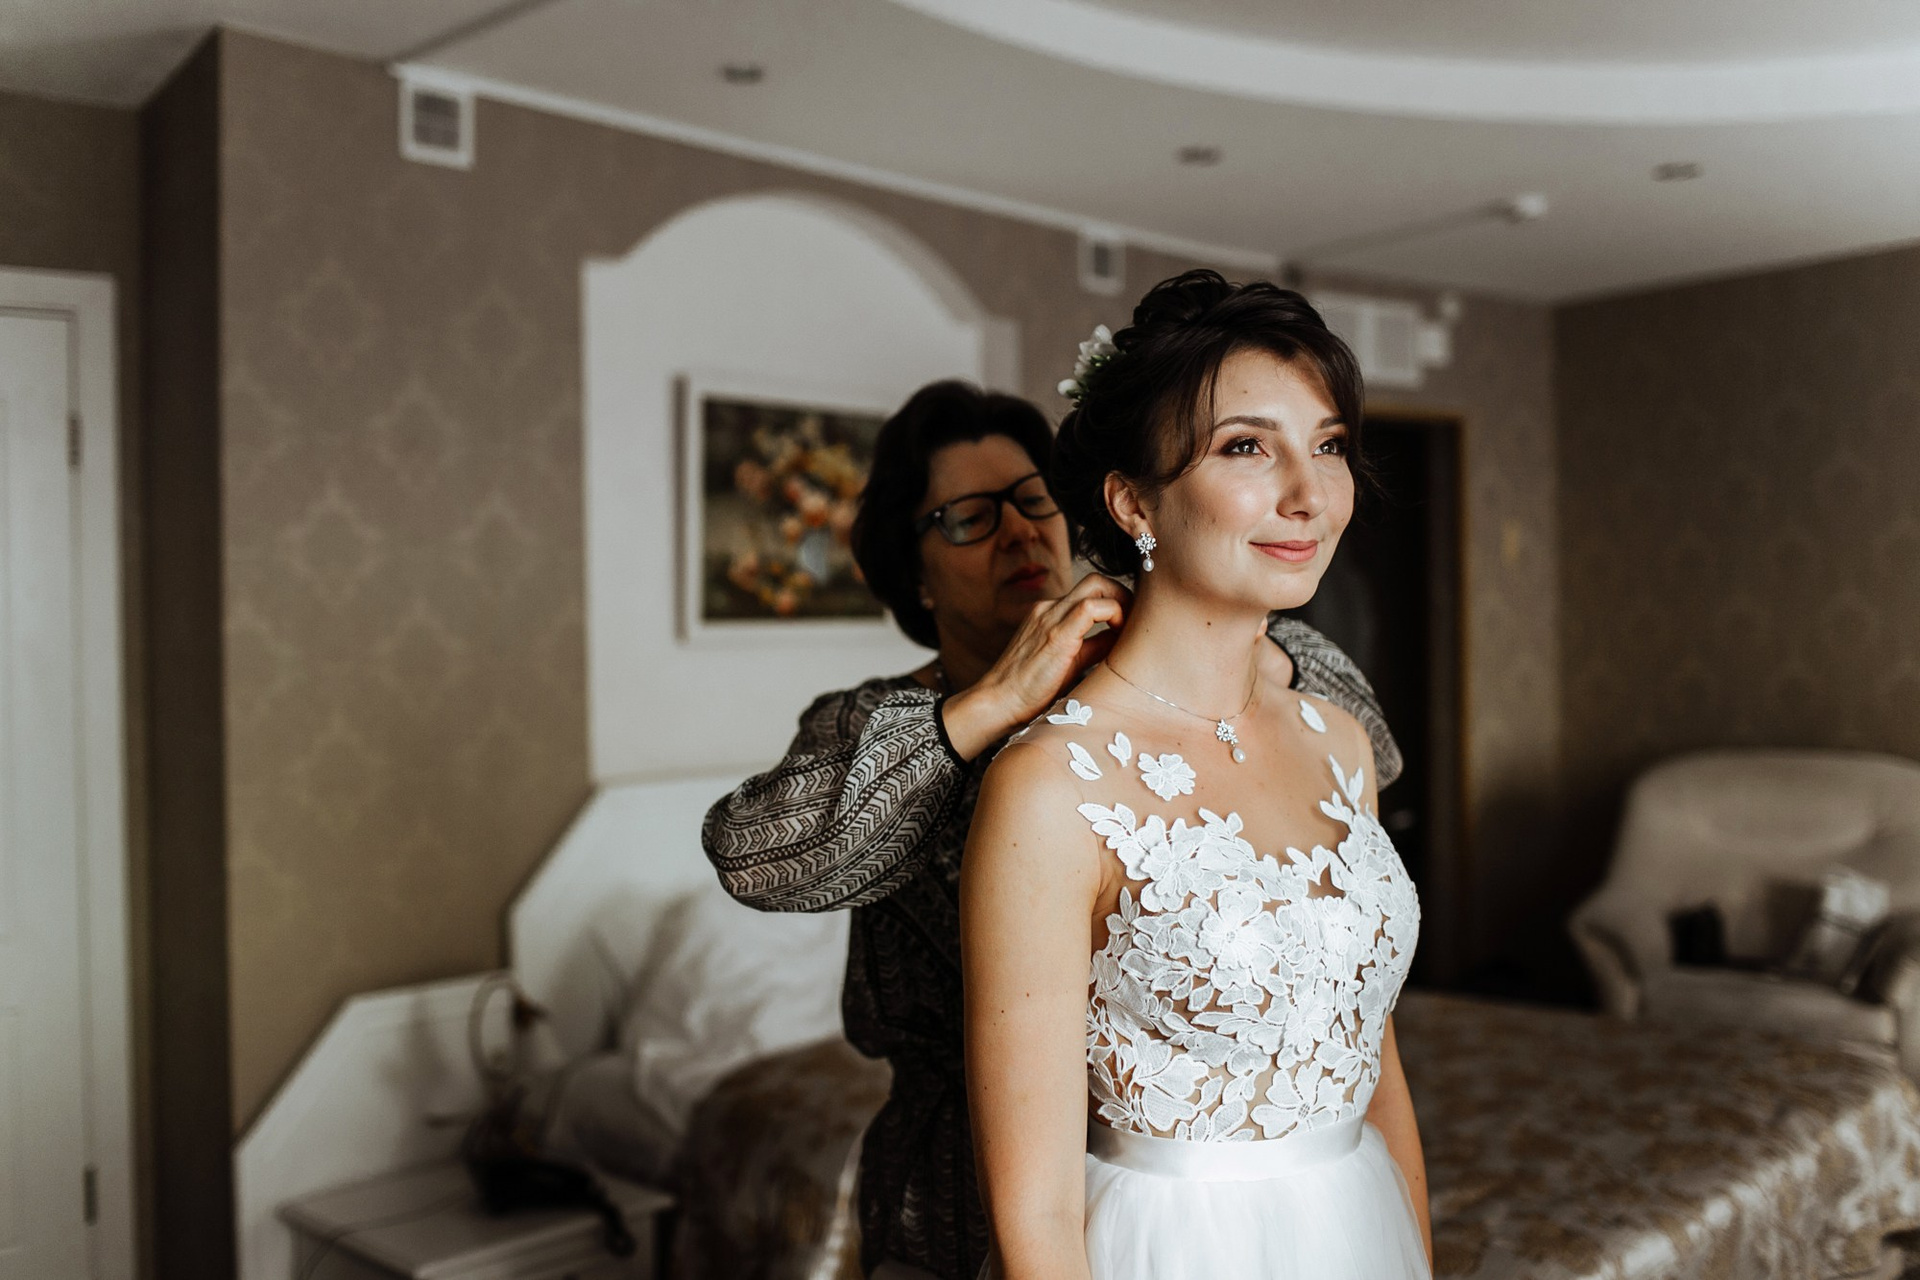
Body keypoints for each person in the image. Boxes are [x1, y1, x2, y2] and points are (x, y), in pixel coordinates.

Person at [702, 378, 1403, 1280]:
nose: (1020, 534)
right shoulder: (875, 724)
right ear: (915, 573)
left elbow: (1368, 756)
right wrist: (995, 701)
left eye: (1033, 501)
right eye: (968, 519)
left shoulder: (1215, 668)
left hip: (1189, 1165)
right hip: (952, 1192)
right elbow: (753, 857)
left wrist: (1219, 648)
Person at [961, 272, 1432, 1279]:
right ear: (1134, 500)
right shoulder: (1051, 786)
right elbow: (1035, 1212)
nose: (1309, 493)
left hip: (1360, 1230)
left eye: (1329, 445)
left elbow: (1374, 1060)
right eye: (1247, 447)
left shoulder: (1341, 742)